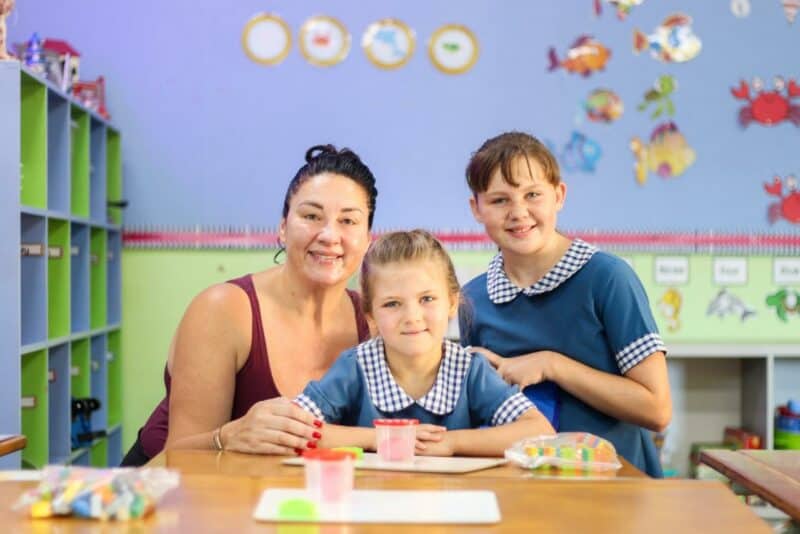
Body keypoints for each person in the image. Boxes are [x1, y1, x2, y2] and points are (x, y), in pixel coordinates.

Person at [121, 144, 379, 465]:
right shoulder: (224, 310)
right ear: (283, 228)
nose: (329, 235)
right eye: (311, 216)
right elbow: (179, 456)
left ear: (368, 238)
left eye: (348, 221)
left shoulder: (372, 322)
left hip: (274, 495)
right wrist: (228, 436)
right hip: (163, 490)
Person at [459, 132, 671, 476]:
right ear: (476, 209)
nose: (518, 212)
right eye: (500, 200)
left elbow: (657, 409)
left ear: (559, 195)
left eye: (533, 195)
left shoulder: (608, 278)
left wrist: (551, 365)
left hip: (616, 495)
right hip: (520, 493)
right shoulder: (473, 298)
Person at [293, 230, 555, 456]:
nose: (412, 317)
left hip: (450, 505)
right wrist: (384, 439)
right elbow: (295, 428)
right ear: (371, 316)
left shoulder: (469, 370)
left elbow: (538, 431)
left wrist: (451, 442)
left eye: (427, 299)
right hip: (371, 502)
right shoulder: (354, 367)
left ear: (452, 303)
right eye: (392, 304)